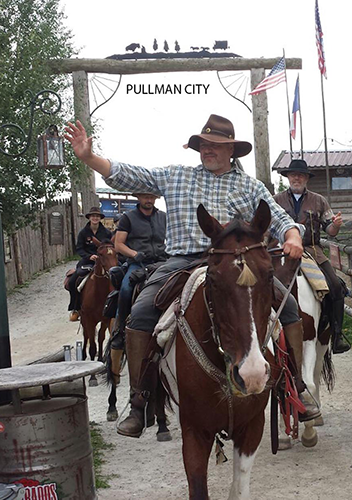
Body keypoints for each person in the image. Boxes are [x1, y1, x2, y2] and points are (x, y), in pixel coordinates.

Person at [64, 114, 318, 437]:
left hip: (234, 265)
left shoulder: (250, 185)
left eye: (216, 146)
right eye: (204, 145)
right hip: (182, 262)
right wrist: (89, 157)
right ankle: (140, 400)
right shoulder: (177, 176)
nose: (208, 150)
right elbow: (130, 176)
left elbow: (279, 217)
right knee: (141, 311)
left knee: (290, 308)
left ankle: (297, 386)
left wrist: (293, 236)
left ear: (232, 151)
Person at [274, 159, 350, 354]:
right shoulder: (275, 200)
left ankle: (337, 334)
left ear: (307, 178)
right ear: (288, 177)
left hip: (311, 250)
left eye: (300, 175)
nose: (296, 178)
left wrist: (337, 225)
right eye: (293, 174)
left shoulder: (319, 200)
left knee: (335, 285)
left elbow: (330, 230)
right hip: (280, 249)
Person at [111, 193, 167, 351]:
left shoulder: (163, 217)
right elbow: (119, 244)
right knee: (126, 289)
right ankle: (119, 329)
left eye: (151, 197)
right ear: (138, 198)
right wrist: (135, 254)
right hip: (138, 263)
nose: (148, 200)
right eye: (145, 197)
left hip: (162, 262)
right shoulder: (128, 218)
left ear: (155, 198)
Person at [67, 206, 112, 321]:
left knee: (116, 278)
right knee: (73, 280)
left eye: (97, 216)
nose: (95, 218)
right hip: (88, 261)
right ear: (89, 217)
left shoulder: (106, 233)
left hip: (103, 261)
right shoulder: (83, 232)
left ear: (100, 218)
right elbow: (79, 248)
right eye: (93, 216)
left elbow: (111, 247)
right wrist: (89, 256)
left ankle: (114, 307)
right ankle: (75, 308)